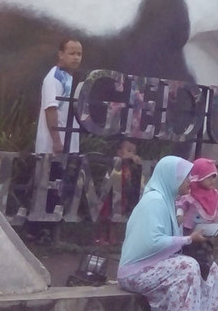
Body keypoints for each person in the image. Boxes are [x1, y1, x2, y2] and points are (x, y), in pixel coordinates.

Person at [117, 156, 218, 311]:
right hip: (136, 270)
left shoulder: (169, 202)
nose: (190, 180)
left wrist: (191, 239)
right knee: (188, 267)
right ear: (171, 178)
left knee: (210, 267)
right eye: (185, 176)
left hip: (156, 264)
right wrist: (188, 239)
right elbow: (152, 242)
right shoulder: (154, 201)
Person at [27, 38, 84, 244]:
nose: (76, 57)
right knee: (46, 190)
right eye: (72, 53)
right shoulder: (54, 78)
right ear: (60, 54)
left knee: (57, 191)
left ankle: (49, 234)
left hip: (67, 144)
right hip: (52, 146)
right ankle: (35, 233)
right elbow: (50, 109)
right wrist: (57, 141)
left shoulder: (68, 78)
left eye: (79, 54)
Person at [176, 157, 218, 280]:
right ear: (198, 177)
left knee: (206, 251)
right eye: (208, 177)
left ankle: (204, 273)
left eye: (214, 176)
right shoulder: (190, 194)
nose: (212, 180)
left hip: (208, 231)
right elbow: (182, 205)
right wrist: (179, 215)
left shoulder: (215, 195)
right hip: (190, 230)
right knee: (190, 251)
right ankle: (190, 273)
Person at [94, 137, 143, 246]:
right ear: (119, 152)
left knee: (115, 219)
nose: (131, 154)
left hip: (121, 195)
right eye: (129, 151)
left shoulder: (128, 166)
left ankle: (112, 238)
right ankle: (101, 238)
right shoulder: (116, 162)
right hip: (109, 194)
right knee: (104, 217)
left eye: (133, 152)